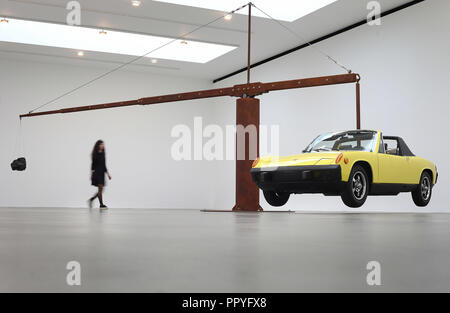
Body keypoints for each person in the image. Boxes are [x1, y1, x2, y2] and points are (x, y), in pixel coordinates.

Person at [88, 140, 112, 209]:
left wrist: (108, 174)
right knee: (100, 190)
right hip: (97, 173)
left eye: (103, 144)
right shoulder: (95, 154)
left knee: (101, 190)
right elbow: (93, 165)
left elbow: (104, 165)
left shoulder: (103, 154)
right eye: (101, 144)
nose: (102, 146)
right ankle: (101, 204)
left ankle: (91, 200)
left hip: (102, 173)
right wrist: (91, 174)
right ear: (98, 145)